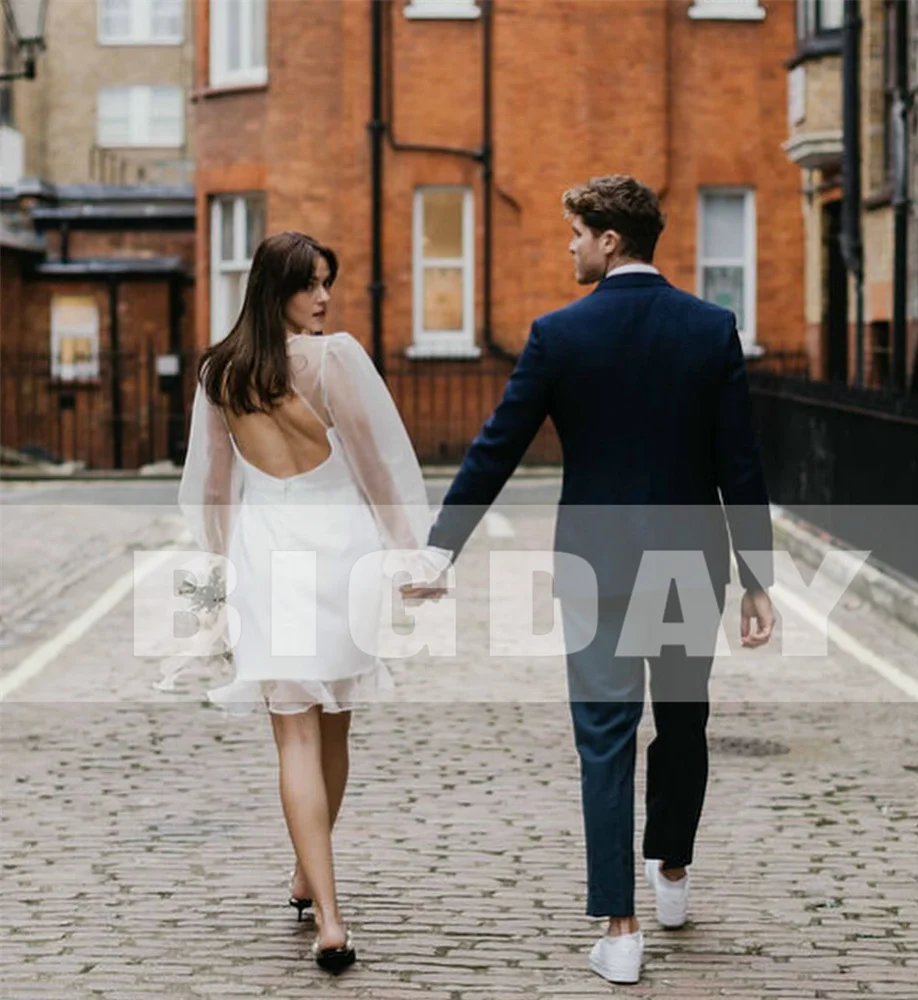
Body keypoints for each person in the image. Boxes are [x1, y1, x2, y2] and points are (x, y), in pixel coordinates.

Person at [404, 175, 775, 984]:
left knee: (605, 741)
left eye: (575, 233)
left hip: (598, 567)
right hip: (689, 566)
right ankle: (670, 871)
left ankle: (622, 928)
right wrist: (757, 578)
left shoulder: (559, 334)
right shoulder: (712, 329)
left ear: (610, 241)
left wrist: (440, 550)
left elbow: (495, 447)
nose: (568, 246)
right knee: (682, 724)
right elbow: (738, 464)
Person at [179, 231, 431, 974]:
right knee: (331, 733)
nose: (324, 297)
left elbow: (215, 493)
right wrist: (408, 552)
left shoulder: (221, 372)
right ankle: (321, 901)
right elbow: (378, 468)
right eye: (310, 284)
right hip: (339, 551)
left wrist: (213, 582)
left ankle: (319, 899)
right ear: (276, 288)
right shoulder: (332, 360)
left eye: (327, 281)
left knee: (295, 737)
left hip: (269, 553)